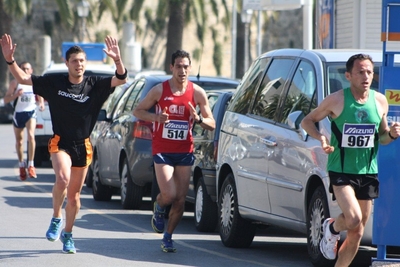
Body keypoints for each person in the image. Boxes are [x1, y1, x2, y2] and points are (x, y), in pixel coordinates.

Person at [0, 33, 128, 254]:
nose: (79, 65)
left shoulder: (95, 84)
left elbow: (121, 78)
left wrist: (117, 59)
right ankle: (56, 218)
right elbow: (23, 79)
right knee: (62, 178)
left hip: (83, 145)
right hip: (61, 142)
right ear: (67, 62)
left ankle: (68, 234)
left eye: (82, 61)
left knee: (75, 197)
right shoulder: (54, 82)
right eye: (74, 61)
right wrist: (10, 59)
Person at [301, 53, 400, 267]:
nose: (366, 76)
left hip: (367, 171)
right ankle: (332, 228)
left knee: (358, 231)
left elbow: (382, 138)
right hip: (341, 170)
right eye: (360, 72)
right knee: (353, 219)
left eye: (369, 72)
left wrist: (391, 134)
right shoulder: (336, 99)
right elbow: (307, 120)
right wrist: (321, 137)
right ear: (348, 75)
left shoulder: (380, 101)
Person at [133, 49, 215, 252]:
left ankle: (168, 236)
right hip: (162, 149)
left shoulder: (197, 93)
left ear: (190, 68)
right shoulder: (160, 90)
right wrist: (156, 118)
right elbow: (138, 110)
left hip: (185, 150)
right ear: (172, 67)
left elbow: (212, 123)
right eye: (178, 66)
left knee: (180, 199)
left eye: (186, 66)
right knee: (169, 194)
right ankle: (159, 208)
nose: (182, 70)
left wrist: (199, 120)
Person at [3, 61, 44, 180]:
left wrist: (41, 103)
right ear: (19, 70)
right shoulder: (15, 83)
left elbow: (39, 93)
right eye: (23, 69)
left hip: (31, 112)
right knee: (19, 141)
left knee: (31, 136)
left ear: (31, 70)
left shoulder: (33, 82)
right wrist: (15, 95)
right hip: (18, 114)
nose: (25, 71)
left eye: (27, 69)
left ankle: (31, 165)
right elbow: (6, 99)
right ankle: (22, 164)